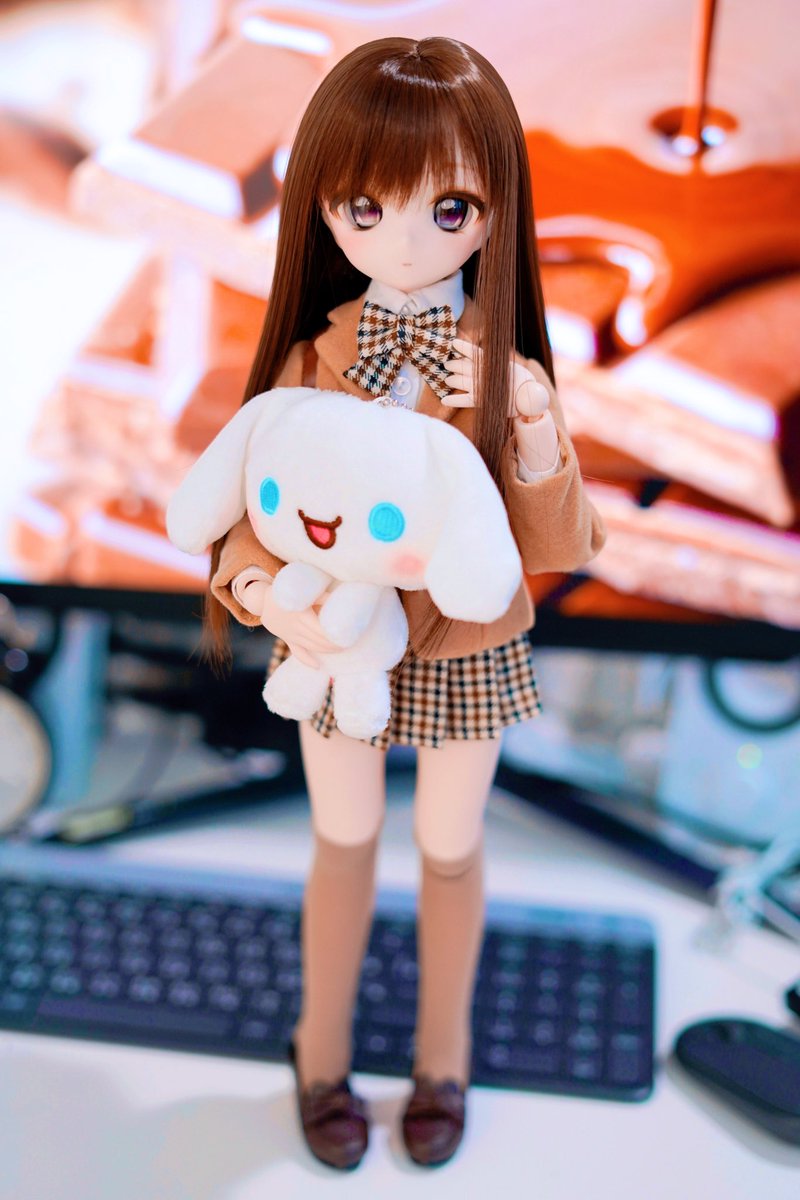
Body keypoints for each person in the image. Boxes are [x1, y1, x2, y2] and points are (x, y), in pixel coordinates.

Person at [204, 36, 606, 1169]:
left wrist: (529, 422)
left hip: (466, 642)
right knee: (342, 841)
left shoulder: (505, 368)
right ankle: (320, 1053)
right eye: (366, 208)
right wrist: (261, 591)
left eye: (450, 208)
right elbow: (255, 509)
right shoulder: (314, 356)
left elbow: (558, 547)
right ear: (324, 211)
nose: (405, 240)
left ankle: (444, 1060)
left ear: (495, 211)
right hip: (338, 642)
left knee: (448, 848)